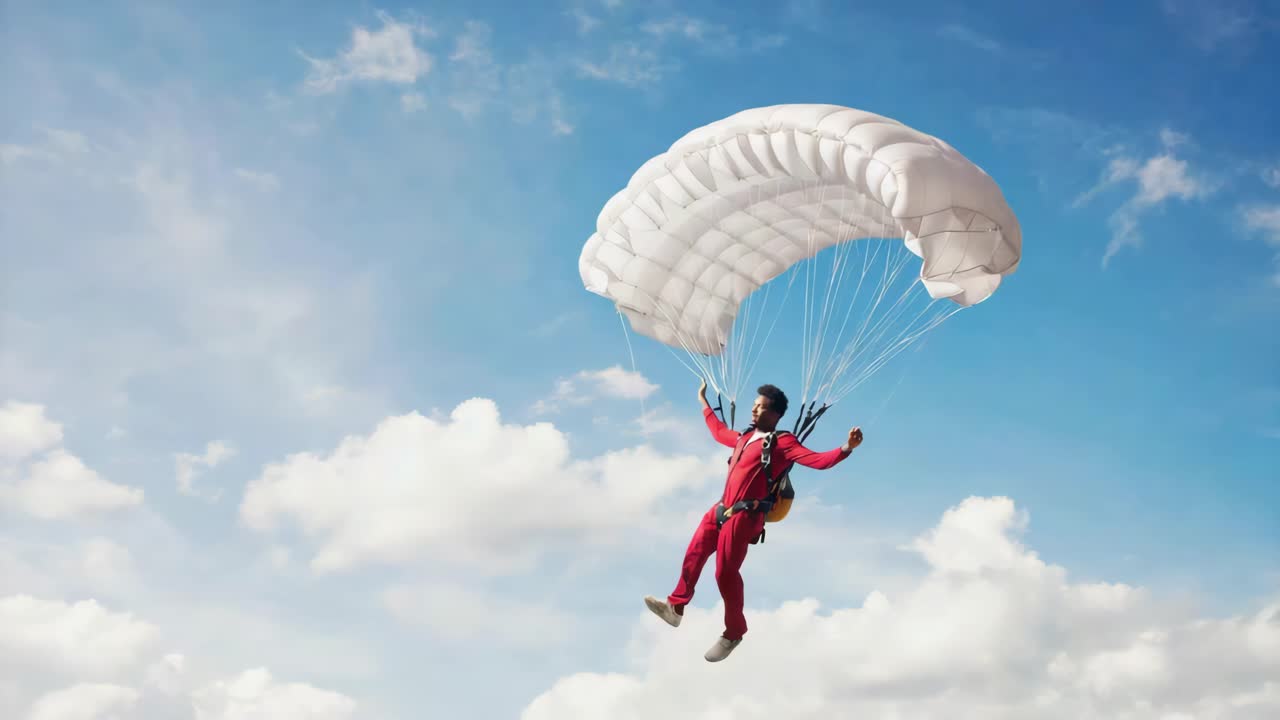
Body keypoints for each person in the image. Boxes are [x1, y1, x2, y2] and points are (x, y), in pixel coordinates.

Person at [644, 379, 864, 662]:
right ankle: (675, 608)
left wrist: (847, 447)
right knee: (694, 552)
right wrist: (703, 401)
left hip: (747, 515)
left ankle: (734, 632)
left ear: (774, 415)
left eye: (759, 408)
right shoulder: (742, 438)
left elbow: (817, 460)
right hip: (721, 509)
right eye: (754, 406)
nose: (753, 411)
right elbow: (718, 431)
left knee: (724, 573)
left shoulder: (782, 443)